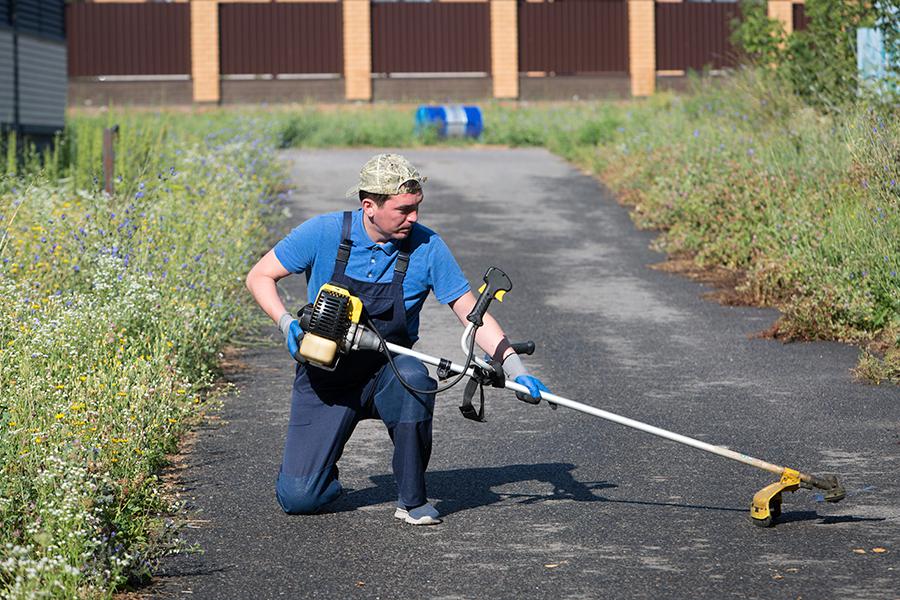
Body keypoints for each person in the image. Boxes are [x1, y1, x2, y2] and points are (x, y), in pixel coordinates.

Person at [245, 153, 549, 525]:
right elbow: (259, 276)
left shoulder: (427, 247)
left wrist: (515, 370)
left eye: (417, 207)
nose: (415, 218)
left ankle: (412, 501)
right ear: (369, 206)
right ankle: (321, 477)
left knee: (417, 379)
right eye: (404, 210)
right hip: (326, 376)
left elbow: (473, 315)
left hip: (389, 371)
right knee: (299, 498)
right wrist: (286, 324)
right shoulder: (323, 233)